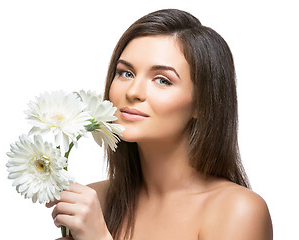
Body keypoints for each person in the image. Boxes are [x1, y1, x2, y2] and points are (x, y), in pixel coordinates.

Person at [46, 9, 273, 240]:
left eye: (162, 80)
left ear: (202, 105)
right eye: (126, 73)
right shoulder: (94, 202)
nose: (133, 92)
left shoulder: (238, 212)